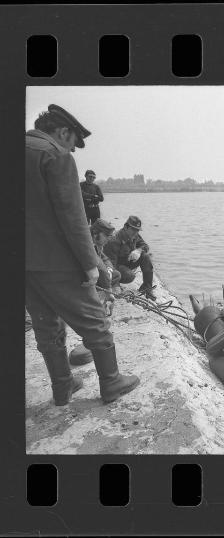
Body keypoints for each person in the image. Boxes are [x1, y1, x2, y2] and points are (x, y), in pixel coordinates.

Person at [25, 104, 140, 406]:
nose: (72, 149)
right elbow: (73, 218)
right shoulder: (55, 156)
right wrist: (91, 264)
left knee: (45, 325)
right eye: (73, 142)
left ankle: (63, 387)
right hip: (57, 263)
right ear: (63, 132)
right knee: (95, 323)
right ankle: (111, 383)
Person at [103, 216, 156, 301]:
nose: (135, 232)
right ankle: (116, 284)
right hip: (116, 266)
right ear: (125, 227)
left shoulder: (135, 235)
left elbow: (145, 246)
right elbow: (110, 265)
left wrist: (138, 250)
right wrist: (116, 286)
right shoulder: (114, 240)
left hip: (127, 262)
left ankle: (147, 288)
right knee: (130, 276)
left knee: (145, 256)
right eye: (133, 229)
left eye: (137, 230)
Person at [90, 219, 121, 290]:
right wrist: (108, 288)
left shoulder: (96, 242)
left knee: (115, 274)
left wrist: (109, 269)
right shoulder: (87, 243)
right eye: (106, 235)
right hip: (79, 276)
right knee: (110, 276)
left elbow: (105, 258)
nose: (108, 239)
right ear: (95, 233)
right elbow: (100, 266)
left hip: (91, 272)